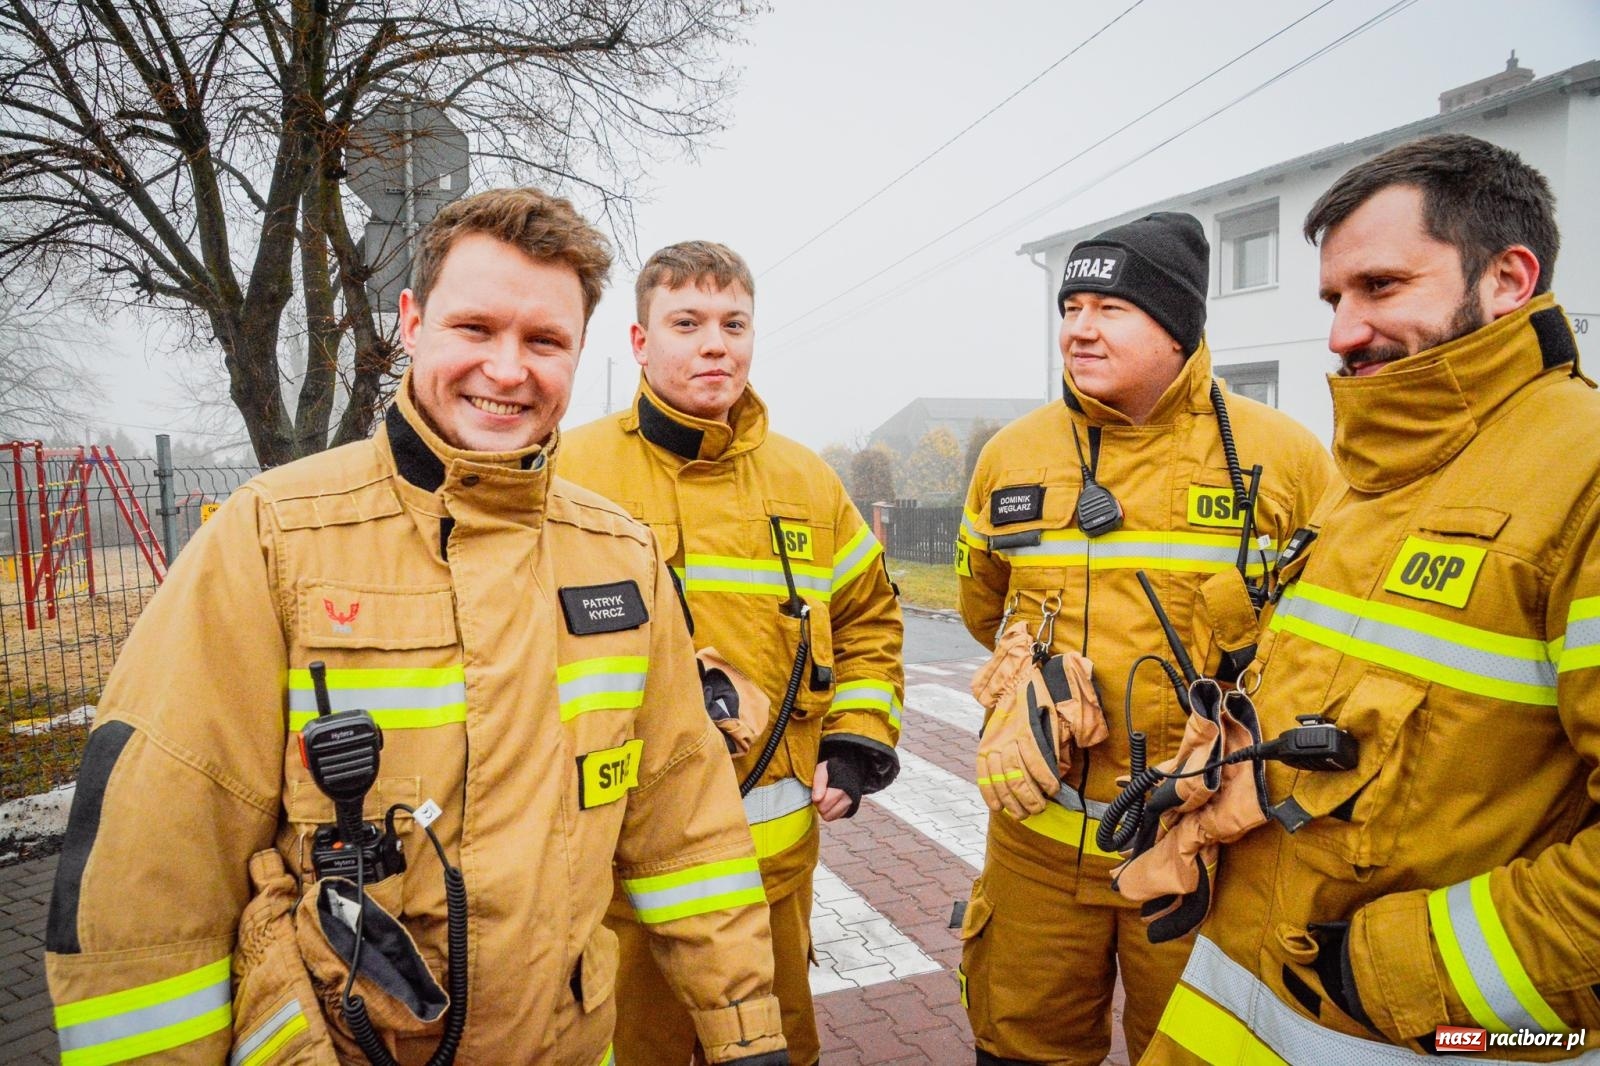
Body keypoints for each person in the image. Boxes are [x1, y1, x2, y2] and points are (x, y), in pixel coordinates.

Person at [44, 189, 788, 1065]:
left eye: (544, 341)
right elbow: (154, 874)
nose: (507, 370)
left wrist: (746, 1031)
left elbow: (686, 825)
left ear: (581, 350)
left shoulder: (620, 555)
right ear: (411, 322)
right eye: (475, 328)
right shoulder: (273, 537)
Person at [1140, 134, 1600, 1064]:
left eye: (1381, 286)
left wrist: (1402, 967)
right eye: (1333, 299)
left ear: (1508, 279)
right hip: (1235, 1004)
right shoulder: (1369, 473)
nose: (1343, 333)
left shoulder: (1583, 480)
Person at [956, 211, 1335, 1064]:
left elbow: (1327, 648)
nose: (1080, 328)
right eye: (1071, 307)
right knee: (1018, 1049)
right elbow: (984, 609)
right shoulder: (1012, 456)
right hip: (1037, 849)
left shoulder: (1284, 460)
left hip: (1205, 855)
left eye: (1111, 308)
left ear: (1176, 325)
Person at [562, 240, 904, 1065]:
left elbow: (869, 620)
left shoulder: (808, 483)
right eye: (687, 323)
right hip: (616, 892)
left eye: (733, 323)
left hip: (770, 879)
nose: (715, 344)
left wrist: (857, 741)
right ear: (640, 341)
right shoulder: (567, 472)